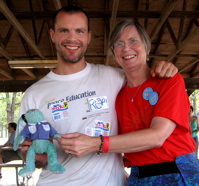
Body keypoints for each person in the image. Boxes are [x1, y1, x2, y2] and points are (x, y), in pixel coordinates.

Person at [18, 6, 178, 186]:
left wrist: (165, 67)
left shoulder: (114, 76)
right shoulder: (34, 94)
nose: (72, 38)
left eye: (79, 31)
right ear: (53, 35)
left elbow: (141, 72)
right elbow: (30, 154)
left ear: (88, 36)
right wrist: (36, 156)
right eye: (64, 30)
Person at [59, 18, 199, 186]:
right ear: (114, 52)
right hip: (138, 175)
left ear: (147, 47)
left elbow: (157, 136)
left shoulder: (168, 80)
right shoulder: (116, 94)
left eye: (134, 41)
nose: (126, 48)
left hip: (177, 172)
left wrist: (95, 143)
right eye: (118, 44)